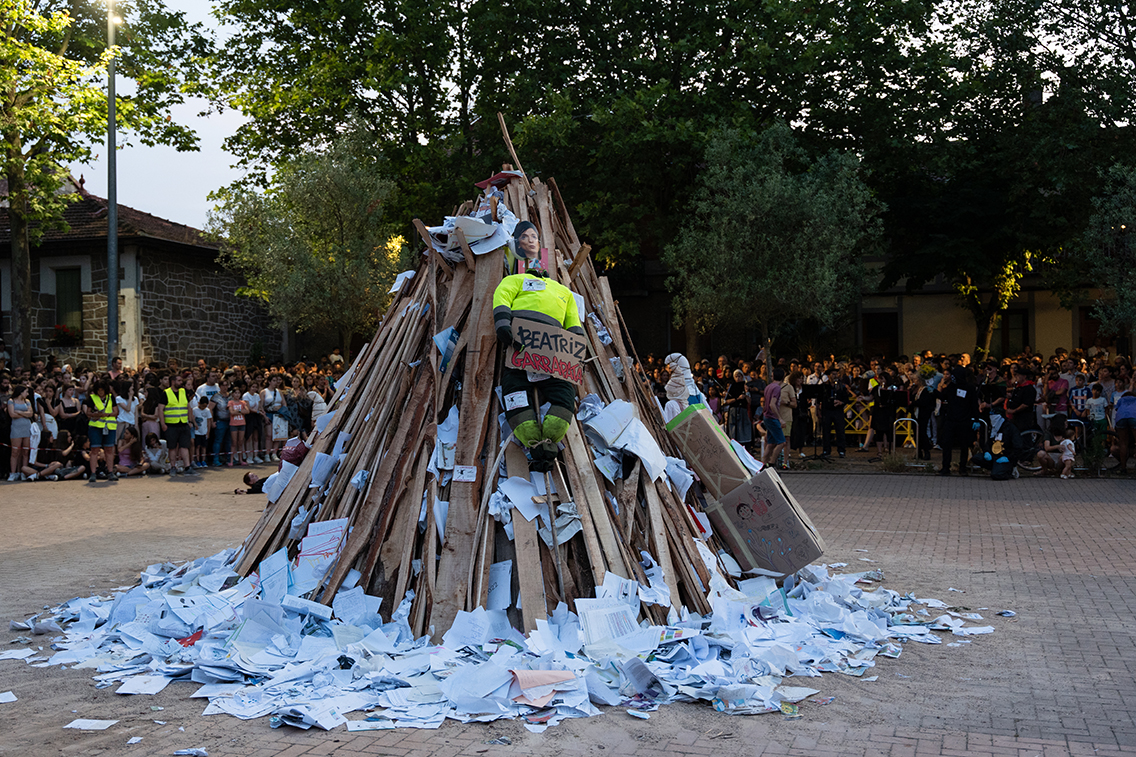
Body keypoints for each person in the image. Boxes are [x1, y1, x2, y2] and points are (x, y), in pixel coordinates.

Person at [492, 267, 585, 472]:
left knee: (560, 392)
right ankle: (534, 441)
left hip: (552, 353)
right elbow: (503, 295)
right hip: (519, 349)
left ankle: (544, 440)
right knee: (515, 390)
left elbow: (573, 320)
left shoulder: (564, 292)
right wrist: (503, 324)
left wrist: (577, 347)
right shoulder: (516, 279)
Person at [936, 367, 980, 476]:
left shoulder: (969, 388)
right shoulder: (951, 387)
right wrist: (937, 390)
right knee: (947, 444)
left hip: (963, 420)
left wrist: (976, 419)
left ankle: (962, 467)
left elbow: (974, 404)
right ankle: (946, 467)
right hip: (952, 420)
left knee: (963, 445)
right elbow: (943, 396)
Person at [157, 373, 194, 476]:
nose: (181, 383)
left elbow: (188, 407)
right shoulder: (166, 393)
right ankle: (173, 467)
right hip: (171, 424)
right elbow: (160, 409)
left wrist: (190, 421)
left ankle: (187, 467)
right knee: (172, 447)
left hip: (183, 423)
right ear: (173, 382)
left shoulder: (183, 392)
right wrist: (163, 423)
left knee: (184, 446)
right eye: (179, 381)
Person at [84, 380, 119, 482]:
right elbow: (88, 413)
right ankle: (93, 473)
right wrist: (97, 414)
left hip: (109, 426)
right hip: (95, 426)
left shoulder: (111, 397)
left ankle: (110, 472)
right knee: (94, 450)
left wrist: (107, 414)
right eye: (98, 390)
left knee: (109, 450)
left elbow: (116, 411)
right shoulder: (92, 398)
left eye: (102, 390)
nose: (100, 392)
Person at [7, 385, 35, 481]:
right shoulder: (11, 401)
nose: (27, 394)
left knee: (25, 451)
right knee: (15, 452)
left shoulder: (27, 401)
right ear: (20, 392)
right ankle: (13, 473)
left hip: (26, 428)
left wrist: (19, 412)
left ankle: (23, 472)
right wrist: (24, 414)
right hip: (16, 428)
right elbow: (12, 414)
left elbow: (30, 414)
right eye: (26, 392)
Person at [762, 368, 788, 467]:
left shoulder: (768, 387)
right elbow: (772, 404)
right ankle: (772, 463)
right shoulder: (777, 388)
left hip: (767, 416)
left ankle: (764, 464)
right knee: (782, 442)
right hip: (772, 417)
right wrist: (780, 418)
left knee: (771, 442)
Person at [261, 374, 286, 461]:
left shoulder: (279, 391)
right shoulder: (264, 392)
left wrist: (283, 411)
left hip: (278, 414)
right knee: (269, 435)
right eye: (274, 381)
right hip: (269, 413)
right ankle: (267, 454)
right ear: (269, 382)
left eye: (276, 381)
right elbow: (261, 406)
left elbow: (284, 403)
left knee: (277, 435)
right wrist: (264, 416)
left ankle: (274, 453)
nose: (276, 382)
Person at [228, 383, 250, 466]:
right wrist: (241, 411)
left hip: (242, 423)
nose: (237, 395)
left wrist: (238, 411)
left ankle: (241, 459)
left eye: (238, 393)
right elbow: (231, 412)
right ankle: (231, 460)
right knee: (234, 442)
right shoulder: (231, 402)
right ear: (233, 394)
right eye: (235, 393)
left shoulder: (243, 402)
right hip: (233, 423)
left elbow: (247, 411)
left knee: (240, 442)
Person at [192, 395, 213, 469]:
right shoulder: (195, 410)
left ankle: (203, 460)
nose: (204, 407)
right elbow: (193, 418)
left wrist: (208, 431)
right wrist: (195, 424)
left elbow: (209, 421)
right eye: (202, 405)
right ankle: (198, 460)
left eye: (205, 406)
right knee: (197, 446)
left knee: (204, 446)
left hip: (204, 431)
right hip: (197, 432)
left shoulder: (207, 411)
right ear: (199, 403)